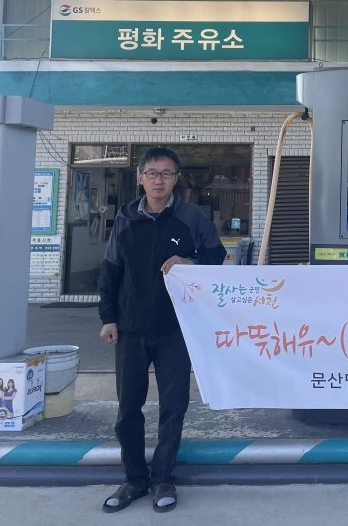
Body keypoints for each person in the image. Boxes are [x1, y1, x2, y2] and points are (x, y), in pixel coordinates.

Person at [98, 147, 225, 514]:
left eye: (166, 174)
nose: (159, 180)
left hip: (176, 330)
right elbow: (110, 272)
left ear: (175, 179)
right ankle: (134, 480)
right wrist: (108, 318)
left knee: (173, 407)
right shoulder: (125, 218)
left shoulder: (192, 218)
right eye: (152, 173)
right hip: (130, 330)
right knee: (128, 408)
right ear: (140, 178)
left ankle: (163, 479)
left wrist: (189, 261)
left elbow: (216, 258)